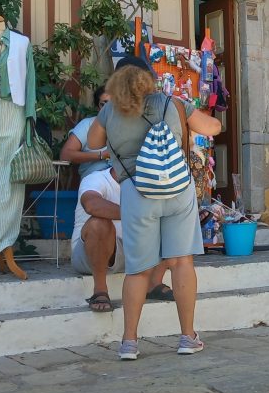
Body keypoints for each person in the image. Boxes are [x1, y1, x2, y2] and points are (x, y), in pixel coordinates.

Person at [87, 56, 221, 360]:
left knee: (138, 270)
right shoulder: (171, 103)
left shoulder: (108, 111)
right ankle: (187, 337)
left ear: (116, 82)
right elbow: (213, 127)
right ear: (149, 77)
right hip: (176, 189)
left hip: (136, 192)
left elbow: (94, 142)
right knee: (181, 262)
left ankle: (129, 343)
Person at [71, 166, 175, 312]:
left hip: (132, 253)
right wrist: (137, 214)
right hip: (88, 255)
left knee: (170, 216)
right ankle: (100, 289)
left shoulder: (149, 183)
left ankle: (153, 283)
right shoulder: (97, 178)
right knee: (98, 223)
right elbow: (91, 205)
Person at [60, 87, 112, 179]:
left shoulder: (128, 127)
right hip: (94, 179)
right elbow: (65, 155)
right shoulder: (87, 125)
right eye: (104, 104)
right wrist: (102, 155)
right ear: (98, 108)